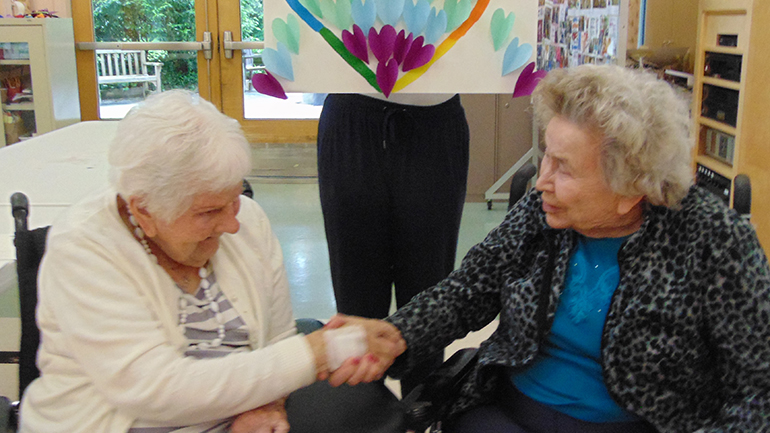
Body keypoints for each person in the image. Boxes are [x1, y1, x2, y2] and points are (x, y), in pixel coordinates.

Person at [330, 65, 770, 432]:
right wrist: (395, 334)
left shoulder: (715, 241)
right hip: (507, 415)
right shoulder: (541, 213)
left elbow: (757, 392)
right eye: (546, 156)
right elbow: (466, 291)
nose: (541, 180)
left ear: (631, 187)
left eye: (564, 168)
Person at [19, 90, 403, 433]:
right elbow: (154, 389)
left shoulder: (248, 222)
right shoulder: (84, 250)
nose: (233, 223)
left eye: (235, 199)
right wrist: (317, 351)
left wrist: (266, 403)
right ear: (145, 210)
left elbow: (277, 340)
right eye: (209, 211)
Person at [317, 92, 469, 394]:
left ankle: (418, 418)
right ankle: (362, 418)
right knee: (356, 300)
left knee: (429, 297)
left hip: (435, 116)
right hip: (352, 112)